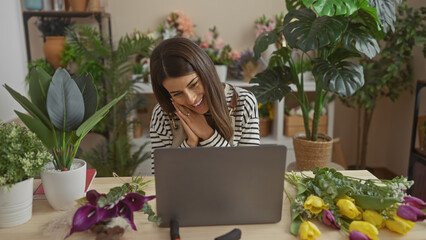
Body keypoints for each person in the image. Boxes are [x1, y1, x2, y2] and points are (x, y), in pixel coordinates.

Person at [149, 37, 260, 173]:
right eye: (177, 94)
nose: (191, 99)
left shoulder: (243, 102)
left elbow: (249, 173)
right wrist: (190, 143)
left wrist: (207, 134)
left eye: (194, 84)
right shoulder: (162, 115)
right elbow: (161, 178)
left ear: (206, 71)